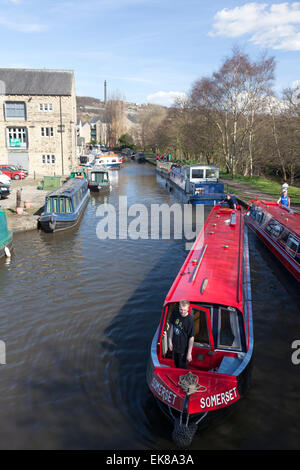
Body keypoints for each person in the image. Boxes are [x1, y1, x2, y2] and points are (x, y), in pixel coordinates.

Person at [168, 300, 194, 369]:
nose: (182, 312)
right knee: (176, 365)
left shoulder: (190, 319)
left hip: (183, 350)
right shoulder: (176, 314)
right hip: (175, 347)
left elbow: (191, 337)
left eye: (184, 310)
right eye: (181, 309)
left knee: (183, 368)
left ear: (188, 308)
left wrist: (189, 353)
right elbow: (172, 327)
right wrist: (170, 341)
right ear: (179, 307)